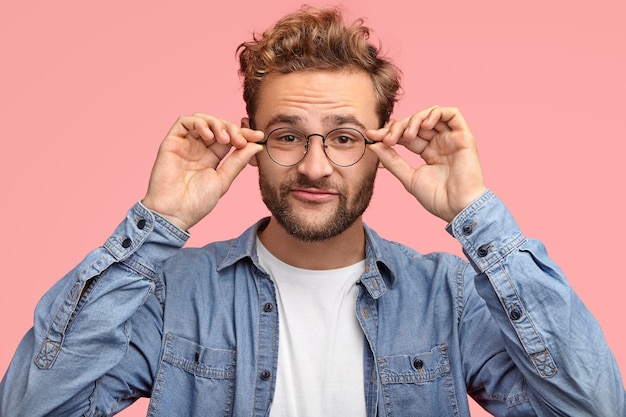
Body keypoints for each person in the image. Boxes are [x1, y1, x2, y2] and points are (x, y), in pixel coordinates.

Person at [0, 5, 624, 417]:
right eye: (288, 134)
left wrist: (476, 213)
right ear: (250, 142)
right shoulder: (172, 294)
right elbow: (31, 408)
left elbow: (593, 407)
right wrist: (158, 218)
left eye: (346, 137)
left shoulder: (449, 296)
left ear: (383, 146)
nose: (316, 166)